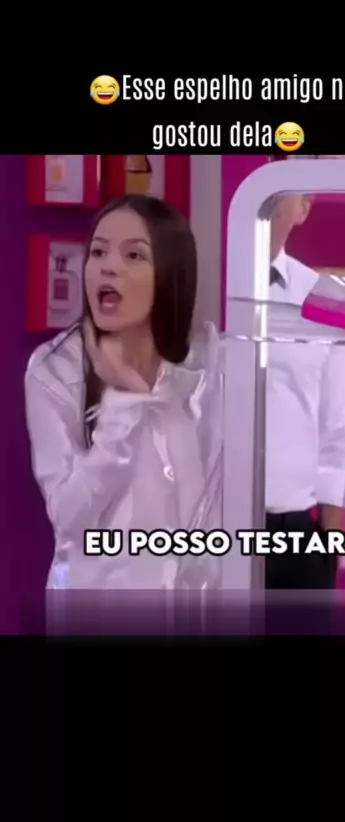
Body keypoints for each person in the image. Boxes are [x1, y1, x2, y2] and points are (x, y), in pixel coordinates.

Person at [25, 195, 222, 590]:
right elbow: (69, 518)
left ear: (169, 272)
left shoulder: (208, 360)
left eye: (134, 255)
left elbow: (216, 504)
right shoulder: (55, 370)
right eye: (98, 252)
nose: (108, 267)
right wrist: (123, 404)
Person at [265, 193, 345, 589]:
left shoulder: (326, 301)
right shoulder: (189, 288)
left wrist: (329, 550)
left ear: (303, 207)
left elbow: (339, 433)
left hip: (294, 535)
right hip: (197, 531)